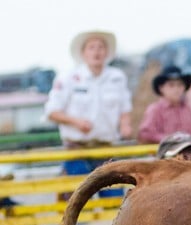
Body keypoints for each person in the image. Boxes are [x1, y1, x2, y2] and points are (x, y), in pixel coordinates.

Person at [43, 30, 132, 196]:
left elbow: (124, 107)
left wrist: (125, 125)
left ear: (107, 52)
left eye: (100, 47)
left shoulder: (117, 77)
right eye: (91, 47)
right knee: (79, 203)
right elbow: (51, 111)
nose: (96, 52)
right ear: (83, 53)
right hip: (77, 149)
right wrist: (76, 122)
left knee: (113, 202)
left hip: (106, 149)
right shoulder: (68, 77)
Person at [137, 65, 191, 143]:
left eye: (180, 85)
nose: (176, 89)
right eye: (171, 85)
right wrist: (169, 140)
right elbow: (145, 134)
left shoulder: (188, 109)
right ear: (161, 88)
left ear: (184, 87)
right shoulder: (155, 109)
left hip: (187, 153)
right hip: (163, 153)